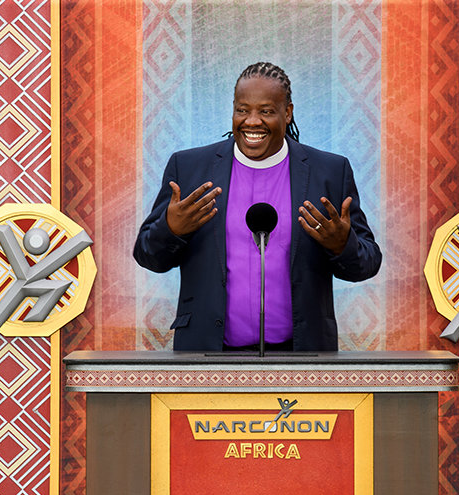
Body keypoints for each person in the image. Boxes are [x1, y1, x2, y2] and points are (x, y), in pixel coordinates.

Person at [134, 62, 381, 352]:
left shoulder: (329, 172)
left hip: (303, 356)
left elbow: (367, 263)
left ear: (287, 113)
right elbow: (148, 256)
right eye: (242, 110)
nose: (252, 121)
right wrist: (171, 229)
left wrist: (342, 245)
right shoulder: (189, 169)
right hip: (207, 354)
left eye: (266, 111)